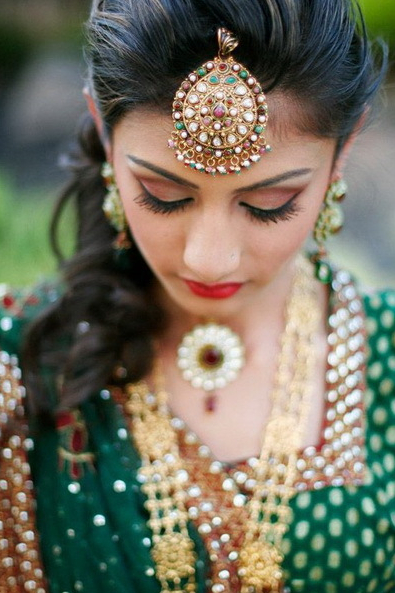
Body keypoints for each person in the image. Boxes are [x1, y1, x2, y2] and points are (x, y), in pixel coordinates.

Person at [0, 0, 393, 591]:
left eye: (268, 204)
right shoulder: (20, 361)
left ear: (343, 151)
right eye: (162, 194)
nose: (208, 258)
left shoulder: (385, 351)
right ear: (104, 134)